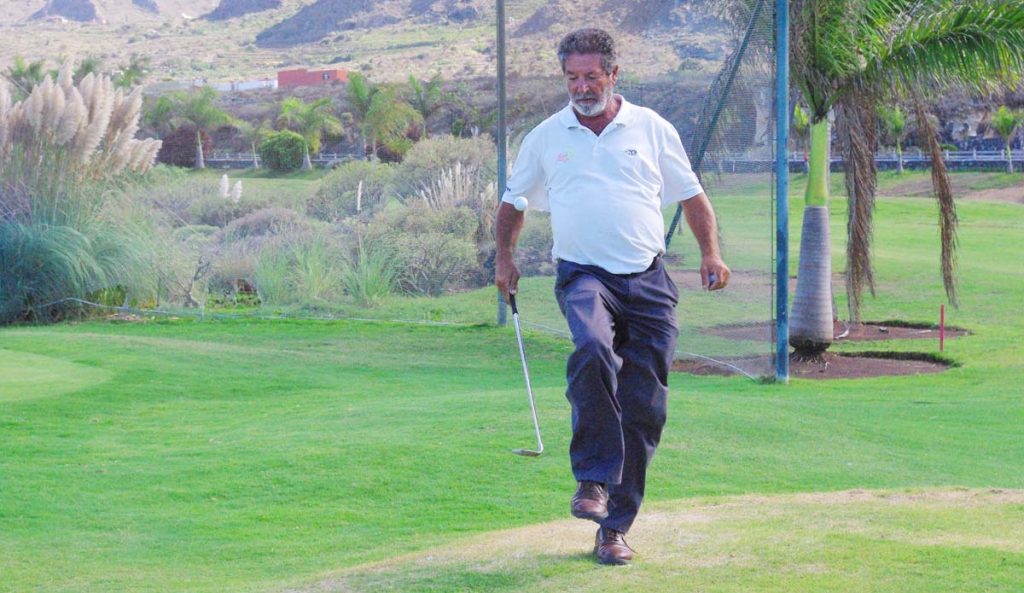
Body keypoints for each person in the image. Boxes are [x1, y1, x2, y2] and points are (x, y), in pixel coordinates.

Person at [494, 28, 731, 566]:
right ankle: (592, 481)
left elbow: (692, 196)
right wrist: (504, 259)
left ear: (613, 75)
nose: (581, 87)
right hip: (583, 276)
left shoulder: (650, 128)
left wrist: (710, 254)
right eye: (572, 78)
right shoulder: (546, 136)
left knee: (645, 410)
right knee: (594, 348)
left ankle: (613, 531)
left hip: (648, 281)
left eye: (591, 77)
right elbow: (513, 205)